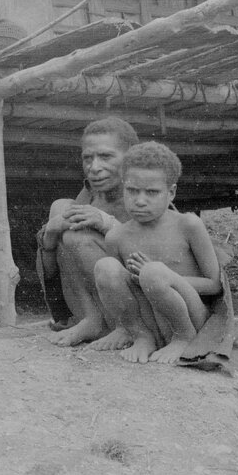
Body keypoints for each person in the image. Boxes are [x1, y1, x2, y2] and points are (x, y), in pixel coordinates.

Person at [93, 141, 223, 364]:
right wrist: (142, 279)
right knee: (105, 267)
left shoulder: (188, 225)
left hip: (191, 319)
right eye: (132, 191)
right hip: (150, 320)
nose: (140, 201)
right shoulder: (117, 236)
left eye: (152, 192)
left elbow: (214, 284)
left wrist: (165, 277)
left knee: (153, 272)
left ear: (171, 193)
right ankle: (141, 336)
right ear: (123, 187)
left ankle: (183, 338)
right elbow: (118, 289)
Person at [36, 117, 140, 348]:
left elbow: (159, 256)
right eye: (88, 158)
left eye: (105, 156)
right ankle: (91, 319)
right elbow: (53, 270)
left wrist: (108, 223)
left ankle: (120, 326)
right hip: (96, 303)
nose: (94, 167)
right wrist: (51, 233)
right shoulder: (91, 194)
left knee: (76, 235)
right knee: (61, 208)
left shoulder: (144, 193)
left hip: (142, 305)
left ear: (130, 157)